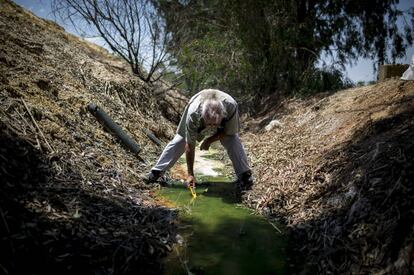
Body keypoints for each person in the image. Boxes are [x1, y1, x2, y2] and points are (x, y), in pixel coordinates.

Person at [143, 89, 253, 190]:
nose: (211, 127)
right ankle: (156, 172)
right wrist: (190, 174)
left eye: (214, 124)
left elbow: (229, 131)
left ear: (222, 116)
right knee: (180, 140)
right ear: (202, 116)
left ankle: (244, 176)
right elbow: (189, 144)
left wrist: (209, 140)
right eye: (208, 123)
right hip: (197, 103)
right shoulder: (193, 113)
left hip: (225, 113)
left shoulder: (231, 107)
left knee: (232, 139)